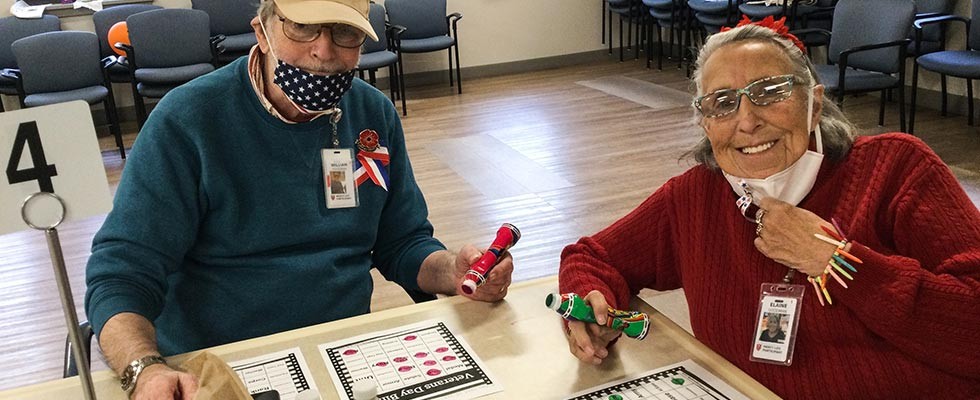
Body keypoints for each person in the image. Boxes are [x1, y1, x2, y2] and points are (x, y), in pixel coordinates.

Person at [84, 0, 514, 398]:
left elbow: (401, 242)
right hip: (217, 367)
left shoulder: (372, 115)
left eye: (344, 32)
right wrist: (145, 370)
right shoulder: (187, 121)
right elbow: (121, 275)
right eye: (303, 27)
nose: (324, 50)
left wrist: (452, 271)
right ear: (262, 30)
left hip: (345, 353)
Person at [559, 16, 980, 399]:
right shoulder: (694, 197)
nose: (747, 121)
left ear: (814, 103)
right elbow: (593, 256)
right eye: (722, 103)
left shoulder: (895, 170)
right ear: (705, 123)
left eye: (770, 92)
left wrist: (836, 262)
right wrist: (588, 304)